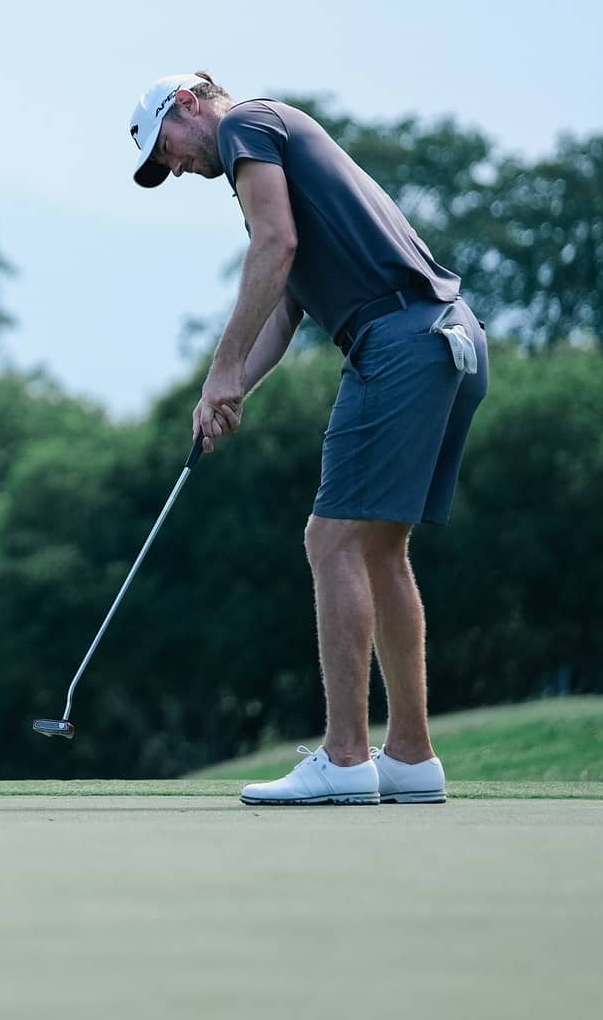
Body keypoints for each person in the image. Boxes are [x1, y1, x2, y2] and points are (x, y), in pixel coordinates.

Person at [127, 71, 488, 806]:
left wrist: (222, 365)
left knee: (330, 540)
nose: (177, 167)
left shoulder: (245, 126)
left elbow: (277, 246)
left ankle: (346, 757)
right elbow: (287, 305)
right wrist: (227, 389)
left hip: (397, 340)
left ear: (188, 104)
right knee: (382, 547)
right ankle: (412, 758)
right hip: (448, 335)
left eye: (167, 149)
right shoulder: (272, 155)